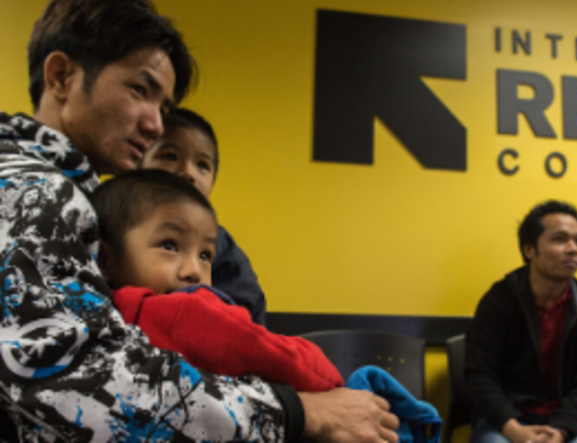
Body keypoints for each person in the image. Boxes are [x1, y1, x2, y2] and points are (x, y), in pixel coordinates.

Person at [0, 0, 400, 441]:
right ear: (62, 77)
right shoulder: (37, 193)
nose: (155, 124)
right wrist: (298, 411)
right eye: (139, 89)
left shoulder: (69, 193)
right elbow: (86, 389)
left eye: (163, 104)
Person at [91, 168, 343, 392]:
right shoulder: (182, 312)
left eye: (205, 255)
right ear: (104, 260)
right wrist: (332, 378)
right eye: (169, 246)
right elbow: (274, 355)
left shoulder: (94, 311)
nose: (193, 270)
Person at [465, 201, 577, 443]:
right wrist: (514, 430)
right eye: (560, 239)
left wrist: (561, 431)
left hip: (570, 422)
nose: (573, 249)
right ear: (529, 249)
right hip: (509, 420)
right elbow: (479, 376)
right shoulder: (499, 301)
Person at [139, 108, 266, 325]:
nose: (188, 172)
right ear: (136, 165)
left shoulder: (225, 254)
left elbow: (242, 328)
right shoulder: (109, 223)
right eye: (170, 156)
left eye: (202, 165)